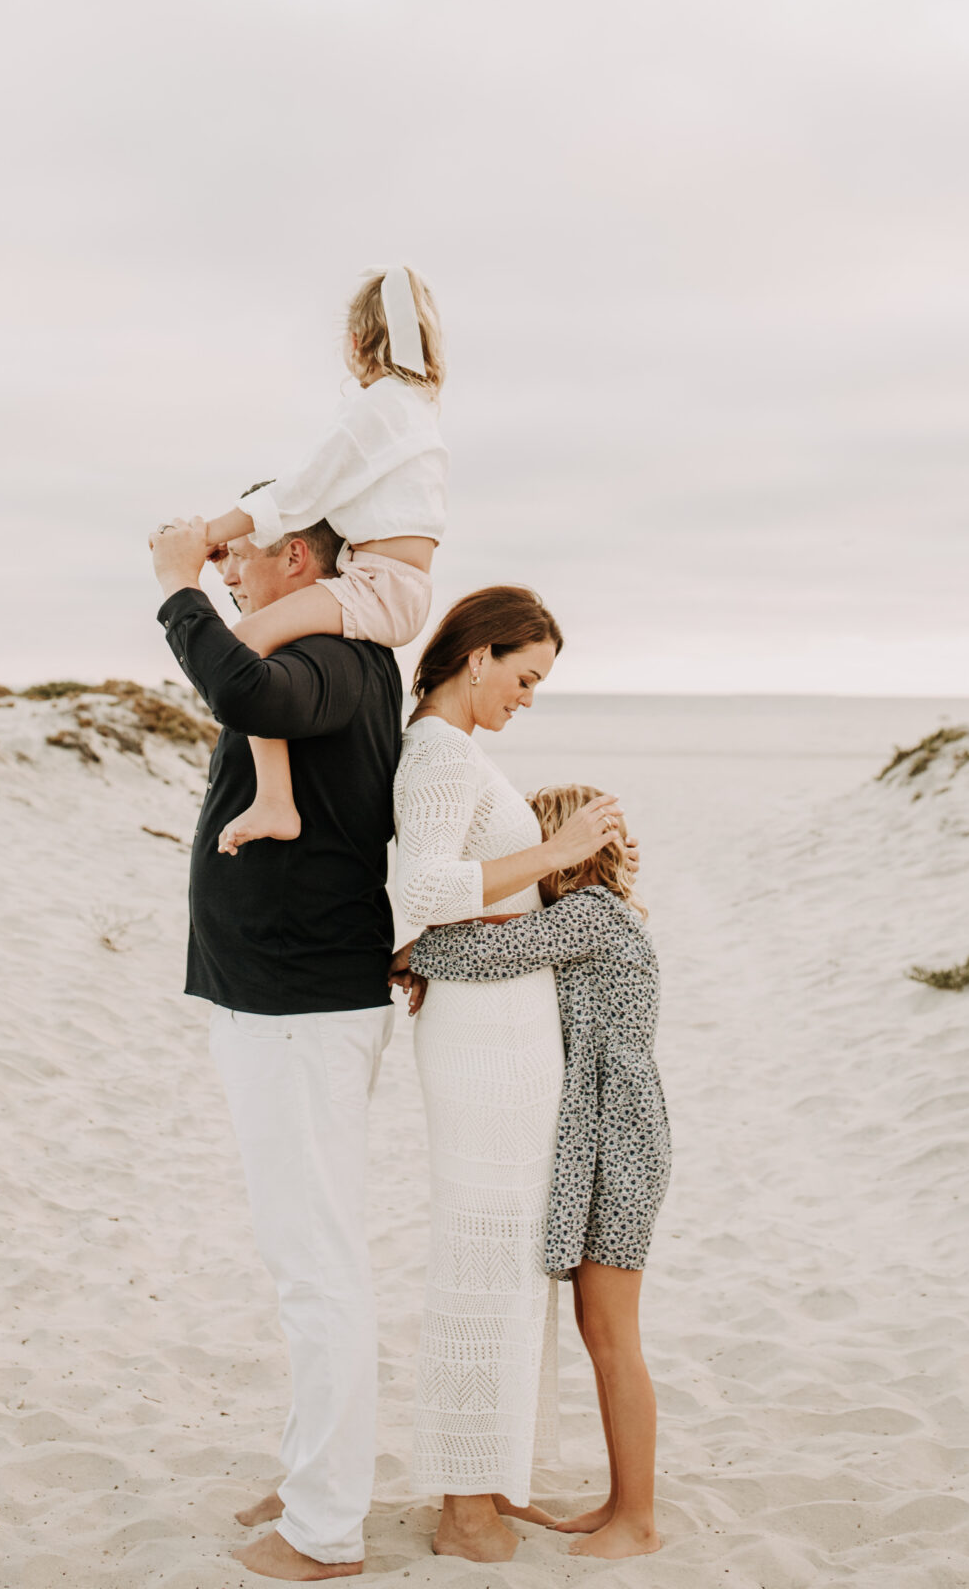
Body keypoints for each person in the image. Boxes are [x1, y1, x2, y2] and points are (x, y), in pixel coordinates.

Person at [151, 507, 401, 1583]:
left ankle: (327, 1527)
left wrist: (177, 593)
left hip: (300, 1005)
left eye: (239, 552)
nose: (224, 566)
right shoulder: (323, 647)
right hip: (283, 996)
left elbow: (248, 690)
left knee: (316, 1267)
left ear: (297, 557)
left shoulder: (331, 653)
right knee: (306, 1258)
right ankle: (314, 1476)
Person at [391, 587, 627, 1566]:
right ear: (478, 655)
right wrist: (561, 849)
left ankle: (490, 1475)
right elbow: (422, 889)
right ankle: (462, 1504)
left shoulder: (457, 750)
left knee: (509, 1254)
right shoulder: (440, 751)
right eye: (525, 676)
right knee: (482, 1258)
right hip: (483, 1048)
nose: (530, 696)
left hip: (503, 1036)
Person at [400, 785, 671, 1561]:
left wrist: (412, 950)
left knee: (614, 1334)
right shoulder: (590, 918)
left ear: (565, 851)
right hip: (604, 1137)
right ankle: (620, 1503)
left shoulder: (587, 916)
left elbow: (484, 952)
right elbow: (506, 942)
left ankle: (639, 1521)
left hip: (616, 1143)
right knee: (600, 1330)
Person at [194, 265, 446, 855]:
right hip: (398, 585)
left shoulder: (378, 407)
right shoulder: (417, 408)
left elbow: (300, 491)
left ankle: (276, 800)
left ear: (356, 343)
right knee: (269, 640)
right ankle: (276, 798)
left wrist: (208, 531)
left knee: (244, 640)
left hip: (379, 584)